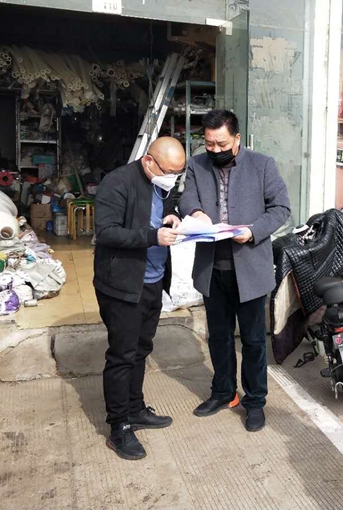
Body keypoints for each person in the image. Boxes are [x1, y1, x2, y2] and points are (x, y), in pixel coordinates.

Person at [179, 110, 290, 433]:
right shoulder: (197, 164)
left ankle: (255, 401)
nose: (215, 150)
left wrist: (253, 231)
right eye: (209, 144)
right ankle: (224, 392)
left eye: (222, 144)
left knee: (254, 341)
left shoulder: (262, 165)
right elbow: (186, 199)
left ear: (237, 138)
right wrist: (195, 212)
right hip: (212, 267)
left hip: (250, 268)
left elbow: (281, 208)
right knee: (219, 336)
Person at [94, 136, 185, 460]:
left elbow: (160, 210)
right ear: (149, 161)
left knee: (142, 349)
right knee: (122, 355)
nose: (172, 179)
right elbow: (106, 232)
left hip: (152, 282)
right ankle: (119, 426)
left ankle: (135, 408)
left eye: (178, 173)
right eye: (169, 172)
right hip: (122, 285)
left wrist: (172, 216)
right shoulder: (117, 182)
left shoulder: (161, 183)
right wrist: (152, 236)